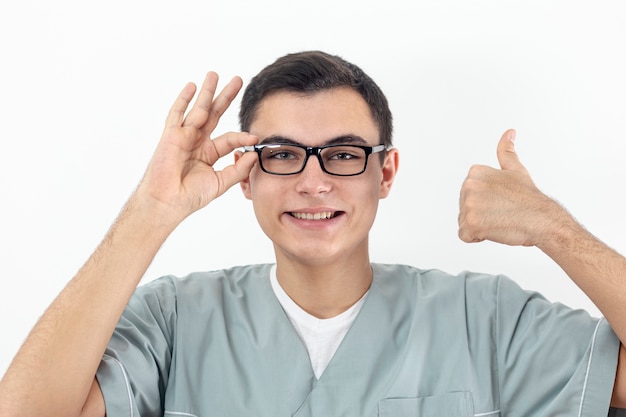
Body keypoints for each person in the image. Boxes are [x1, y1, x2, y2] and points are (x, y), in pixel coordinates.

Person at [0, 50, 625, 417]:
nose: (313, 181)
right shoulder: (173, 321)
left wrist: (552, 228)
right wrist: (150, 210)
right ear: (246, 176)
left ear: (386, 173)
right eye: (282, 154)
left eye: (345, 154)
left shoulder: (484, 317)